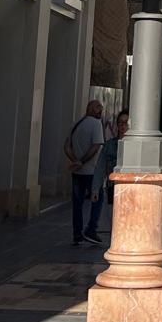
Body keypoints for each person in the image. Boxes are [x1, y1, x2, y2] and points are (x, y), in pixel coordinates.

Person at [64, 100, 105, 246]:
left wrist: (75, 160)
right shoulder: (96, 124)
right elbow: (96, 146)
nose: (100, 111)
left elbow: (66, 146)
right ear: (91, 109)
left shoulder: (76, 123)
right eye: (98, 108)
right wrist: (81, 161)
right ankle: (91, 229)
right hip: (92, 171)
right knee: (98, 199)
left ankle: (77, 233)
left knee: (77, 202)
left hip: (77, 172)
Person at [93, 111, 129, 218]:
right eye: (120, 123)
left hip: (130, 188)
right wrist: (95, 189)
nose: (123, 126)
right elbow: (100, 167)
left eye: (126, 123)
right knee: (114, 218)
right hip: (113, 187)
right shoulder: (109, 145)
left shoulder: (136, 146)